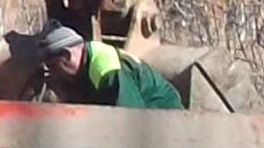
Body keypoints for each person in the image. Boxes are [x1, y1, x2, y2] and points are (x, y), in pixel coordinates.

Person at [30, 21, 183, 110]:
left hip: (166, 120)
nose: (54, 74)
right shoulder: (87, 63)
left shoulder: (105, 69)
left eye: (53, 67)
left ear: (67, 55)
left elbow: (131, 119)